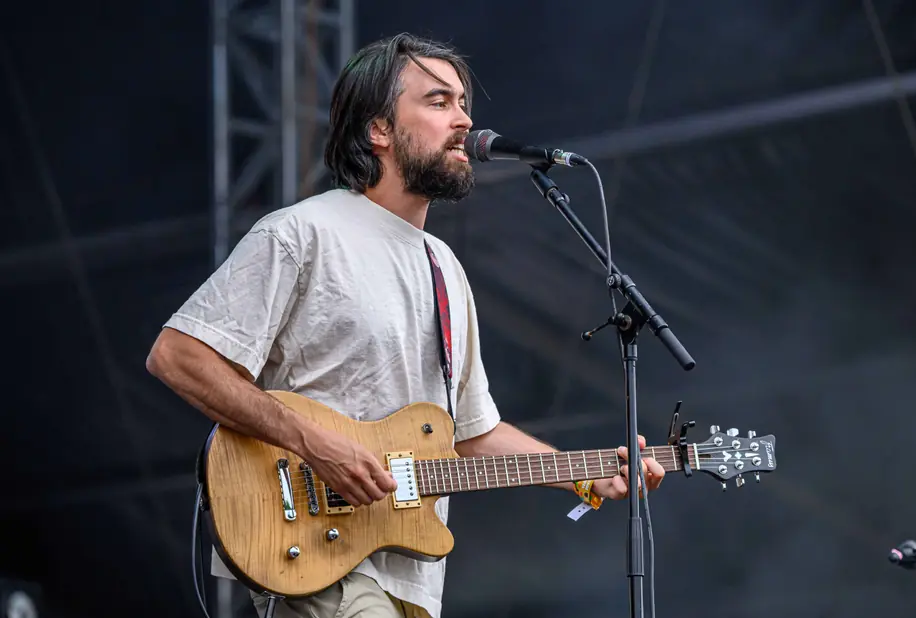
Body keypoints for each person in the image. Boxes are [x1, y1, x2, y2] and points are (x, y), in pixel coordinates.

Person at [145, 32, 666, 618]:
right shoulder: (302, 234)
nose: (464, 120)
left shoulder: (444, 268)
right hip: (313, 551)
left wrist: (585, 476)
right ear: (379, 130)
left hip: (410, 576)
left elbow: (471, 432)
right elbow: (178, 355)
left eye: (463, 103)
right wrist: (313, 443)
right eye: (439, 102)